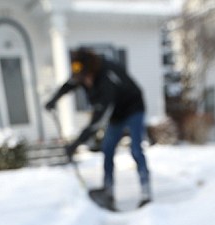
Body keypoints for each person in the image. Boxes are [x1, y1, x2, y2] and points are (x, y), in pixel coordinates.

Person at [45, 48, 151, 209]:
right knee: (107, 149)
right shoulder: (83, 73)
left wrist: (76, 143)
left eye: (85, 78)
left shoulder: (106, 79)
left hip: (133, 108)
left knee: (135, 149)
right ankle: (108, 190)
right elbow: (70, 84)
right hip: (116, 113)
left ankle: (145, 192)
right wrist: (54, 99)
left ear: (91, 72)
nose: (83, 82)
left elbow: (97, 120)